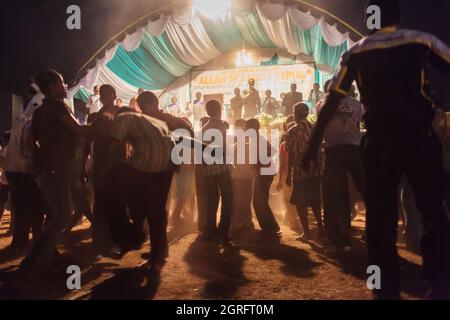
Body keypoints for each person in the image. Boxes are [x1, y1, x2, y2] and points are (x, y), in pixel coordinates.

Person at [303, 0, 450, 299]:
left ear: (371, 20)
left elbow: (332, 101)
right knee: (433, 210)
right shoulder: (420, 39)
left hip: (380, 142)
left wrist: (312, 143)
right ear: (397, 16)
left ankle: (384, 287)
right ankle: (440, 281)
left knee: (380, 215)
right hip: (419, 137)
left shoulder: (357, 52)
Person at [19, 70, 95, 276]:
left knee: (56, 214)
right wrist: (101, 125)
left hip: (44, 170)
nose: (64, 87)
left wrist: (44, 155)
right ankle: (33, 263)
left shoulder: (40, 112)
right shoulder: (58, 107)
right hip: (56, 170)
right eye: (61, 83)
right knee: (61, 216)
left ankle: (44, 257)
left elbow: (29, 142)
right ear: (53, 87)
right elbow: (79, 130)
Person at [316, 82, 364, 251]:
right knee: (364, 189)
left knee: (334, 194)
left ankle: (338, 236)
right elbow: (357, 125)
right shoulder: (356, 104)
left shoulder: (322, 104)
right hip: (354, 149)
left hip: (333, 150)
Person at [3, 85, 46, 256]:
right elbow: (28, 148)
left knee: (21, 208)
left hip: (13, 170)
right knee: (37, 209)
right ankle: (36, 243)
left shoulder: (19, 121)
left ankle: (20, 243)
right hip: (26, 171)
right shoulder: (32, 122)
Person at [286, 103, 324, 241]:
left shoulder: (292, 131)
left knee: (301, 203)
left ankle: (306, 233)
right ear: (307, 113)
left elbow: (290, 154)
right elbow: (320, 149)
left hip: (299, 171)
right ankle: (320, 228)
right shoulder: (315, 128)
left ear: (295, 114)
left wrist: (288, 175)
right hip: (315, 170)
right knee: (315, 200)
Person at [200, 100, 234, 244]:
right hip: (222, 168)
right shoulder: (220, 125)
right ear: (220, 110)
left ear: (207, 112)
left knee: (211, 201)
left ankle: (211, 231)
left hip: (209, 170)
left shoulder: (205, 127)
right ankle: (223, 232)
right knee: (228, 199)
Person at [247, 118, 281, 237]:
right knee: (260, 201)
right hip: (265, 172)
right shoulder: (257, 139)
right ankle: (270, 227)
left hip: (263, 173)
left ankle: (271, 227)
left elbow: (272, 151)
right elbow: (273, 150)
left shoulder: (257, 139)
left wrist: (261, 163)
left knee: (259, 201)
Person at [230, 118, 256, 234]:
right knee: (245, 201)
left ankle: (243, 222)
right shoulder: (248, 147)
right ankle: (246, 222)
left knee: (240, 201)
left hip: (240, 178)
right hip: (245, 177)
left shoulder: (233, 148)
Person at [276, 116, 302, 232]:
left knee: (288, 199)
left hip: (288, 173)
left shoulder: (284, 144)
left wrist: (280, 180)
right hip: (301, 173)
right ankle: (290, 219)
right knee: (297, 198)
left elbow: (282, 164)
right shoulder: (303, 141)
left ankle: (294, 224)